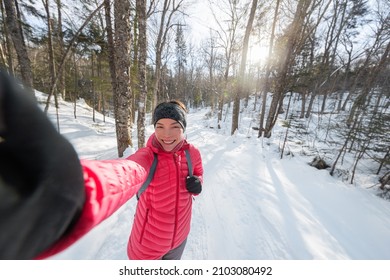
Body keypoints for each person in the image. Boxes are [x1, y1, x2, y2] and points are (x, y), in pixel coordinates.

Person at [0, 70, 203, 260]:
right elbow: (124, 174)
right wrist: (75, 187)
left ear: (183, 128)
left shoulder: (191, 153)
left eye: (175, 127)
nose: (167, 134)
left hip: (180, 240)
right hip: (148, 246)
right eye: (160, 126)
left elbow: (199, 172)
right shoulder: (148, 157)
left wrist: (197, 183)